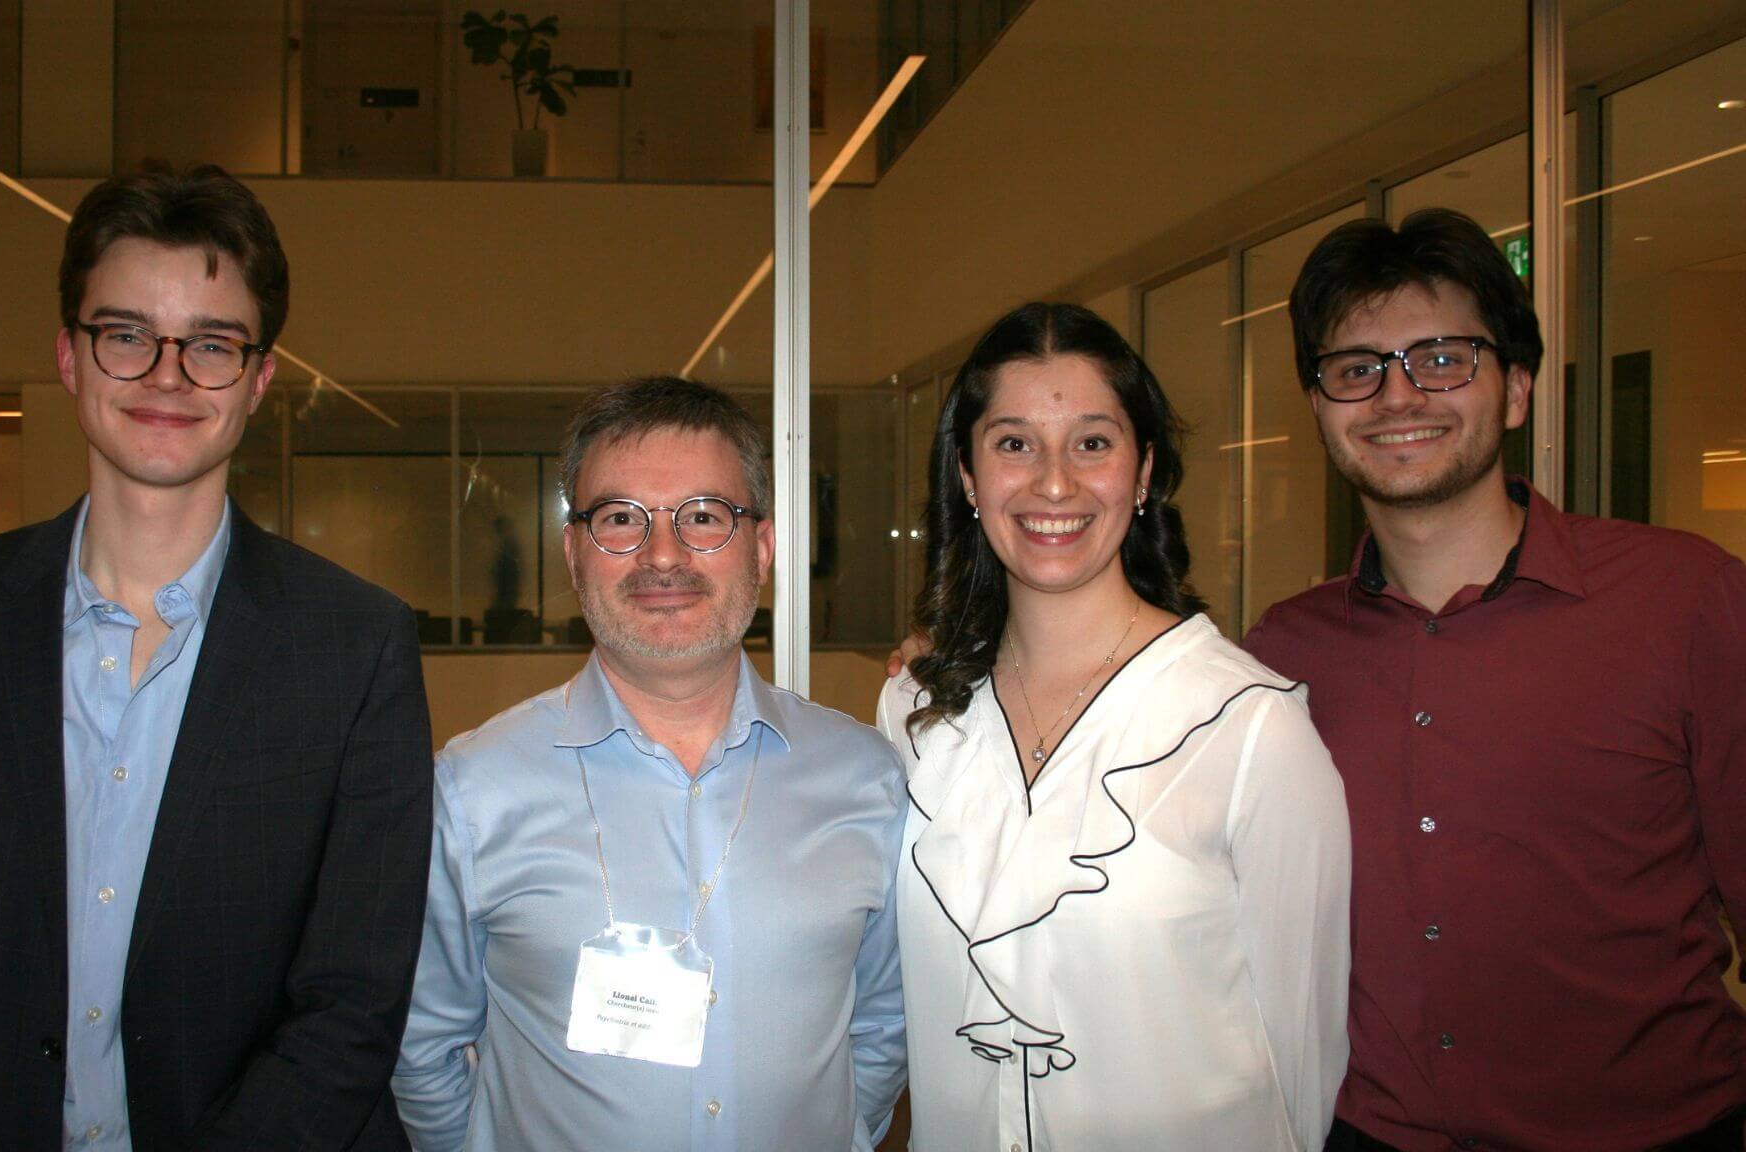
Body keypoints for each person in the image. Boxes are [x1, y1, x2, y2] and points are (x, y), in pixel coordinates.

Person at [0, 166, 434, 1152]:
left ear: (259, 380)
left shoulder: (357, 644)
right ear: (70, 358)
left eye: (210, 344)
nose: (166, 375)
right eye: (125, 336)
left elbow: (353, 1006)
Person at [1245, 208, 1746, 1151]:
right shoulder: (1281, 658)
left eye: (1442, 358)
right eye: (1356, 369)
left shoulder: (1688, 604)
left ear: (1515, 389)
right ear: (1319, 408)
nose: (1398, 396)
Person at [882, 302, 1350, 1151]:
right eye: (1013, 442)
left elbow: (1303, 1059)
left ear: (1143, 475)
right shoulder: (916, 715)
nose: (1053, 482)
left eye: (1093, 442)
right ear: (966, 475)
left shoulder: (1248, 729)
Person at [393, 377, 906, 1151]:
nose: (662, 556)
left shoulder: (866, 778)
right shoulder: (473, 791)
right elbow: (424, 1046)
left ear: (762, 548)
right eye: (620, 520)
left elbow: (882, 1024)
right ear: (573, 553)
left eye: (704, 517)